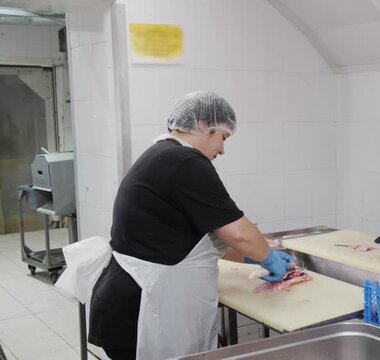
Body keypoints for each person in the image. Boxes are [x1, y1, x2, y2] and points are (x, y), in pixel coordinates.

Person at [87, 91, 295, 360]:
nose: (222, 149)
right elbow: (239, 233)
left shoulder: (166, 155)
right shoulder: (186, 162)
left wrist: (255, 257)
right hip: (142, 310)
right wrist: (267, 258)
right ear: (202, 125)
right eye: (223, 137)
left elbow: (207, 239)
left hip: (132, 301)